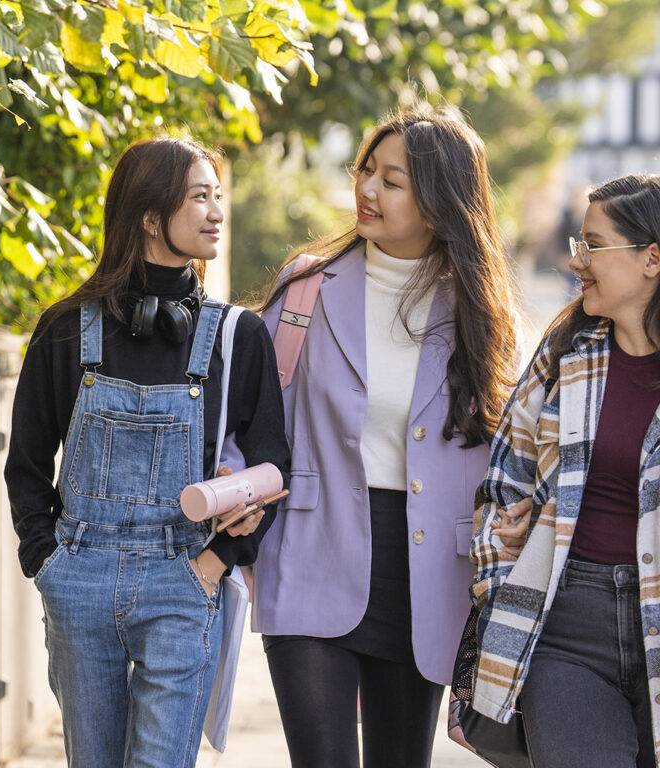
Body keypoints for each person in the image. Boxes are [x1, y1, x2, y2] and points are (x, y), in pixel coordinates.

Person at [4, 137, 289, 768]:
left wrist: (215, 564)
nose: (217, 211)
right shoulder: (64, 329)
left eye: (219, 196)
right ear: (150, 217)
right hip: (79, 576)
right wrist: (47, 562)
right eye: (199, 197)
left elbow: (276, 468)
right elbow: (26, 465)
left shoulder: (239, 337)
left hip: (183, 579)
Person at [251, 106, 521, 767]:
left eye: (392, 180)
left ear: (439, 200)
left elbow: (508, 446)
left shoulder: (481, 312)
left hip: (426, 572)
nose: (367, 190)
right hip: (310, 549)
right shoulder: (306, 286)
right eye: (366, 170)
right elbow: (250, 412)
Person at [470, 174, 660, 768]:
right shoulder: (565, 355)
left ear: (652, 257)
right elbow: (504, 482)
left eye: (594, 245)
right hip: (566, 628)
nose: (577, 261)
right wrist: (501, 589)